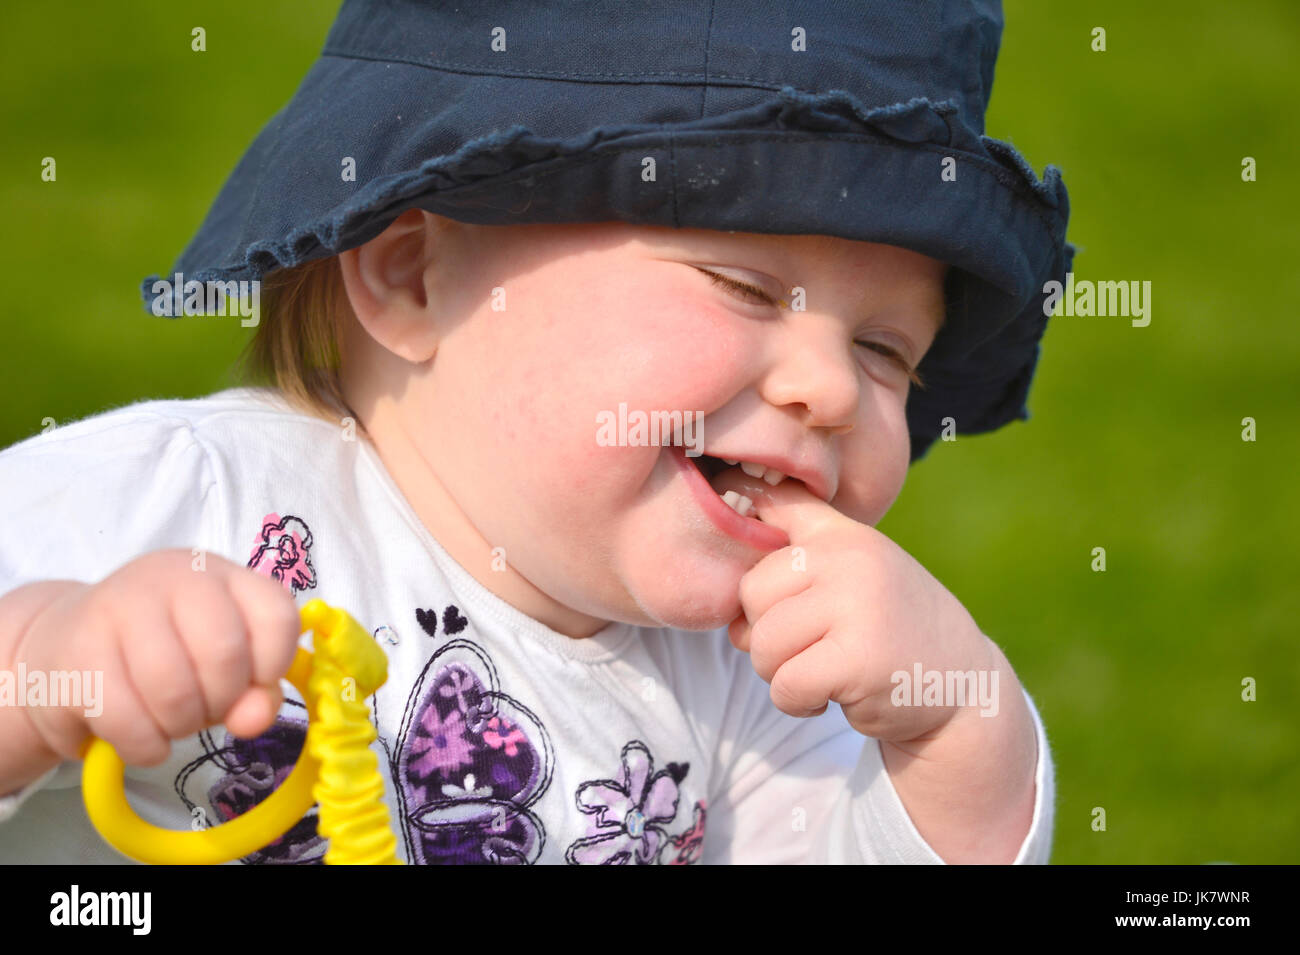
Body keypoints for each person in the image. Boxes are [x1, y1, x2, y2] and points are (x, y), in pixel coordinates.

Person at [0, 0, 1073, 864]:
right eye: (746, 286)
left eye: (887, 351)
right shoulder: (165, 502)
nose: (831, 387)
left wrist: (955, 731)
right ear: (413, 275)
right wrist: (43, 662)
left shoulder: (762, 679)